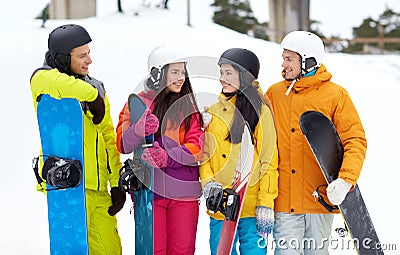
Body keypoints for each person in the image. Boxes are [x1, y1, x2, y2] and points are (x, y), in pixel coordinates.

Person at [265, 31, 367, 254]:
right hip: (285, 200)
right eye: (284, 57)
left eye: (289, 58)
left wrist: (346, 180)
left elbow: (355, 140)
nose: (283, 64)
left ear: (308, 61)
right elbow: (258, 136)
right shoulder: (274, 93)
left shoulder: (335, 95)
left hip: (319, 199)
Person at [30, 24, 126, 254]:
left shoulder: (96, 86)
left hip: (98, 188)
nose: (89, 60)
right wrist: (91, 96)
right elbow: (52, 81)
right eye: (82, 55)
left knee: (111, 249)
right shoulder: (43, 81)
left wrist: (116, 182)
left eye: (89, 53)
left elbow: (107, 138)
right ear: (63, 58)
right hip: (67, 187)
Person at [116, 45, 204, 255]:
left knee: (181, 250)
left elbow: (199, 148)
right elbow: (122, 144)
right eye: (175, 72)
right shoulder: (137, 103)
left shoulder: (187, 106)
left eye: (183, 72)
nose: (181, 77)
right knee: (154, 250)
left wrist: (169, 156)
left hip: (184, 193)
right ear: (157, 73)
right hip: (150, 192)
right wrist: (138, 130)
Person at [200, 48, 279, 255]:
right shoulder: (213, 112)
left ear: (244, 76)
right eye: (221, 73)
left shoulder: (260, 111)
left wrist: (265, 203)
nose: (222, 79)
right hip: (221, 207)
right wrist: (208, 184)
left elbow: (269, 160)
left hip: (252, 207)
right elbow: (205, 157)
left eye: (228, 73)